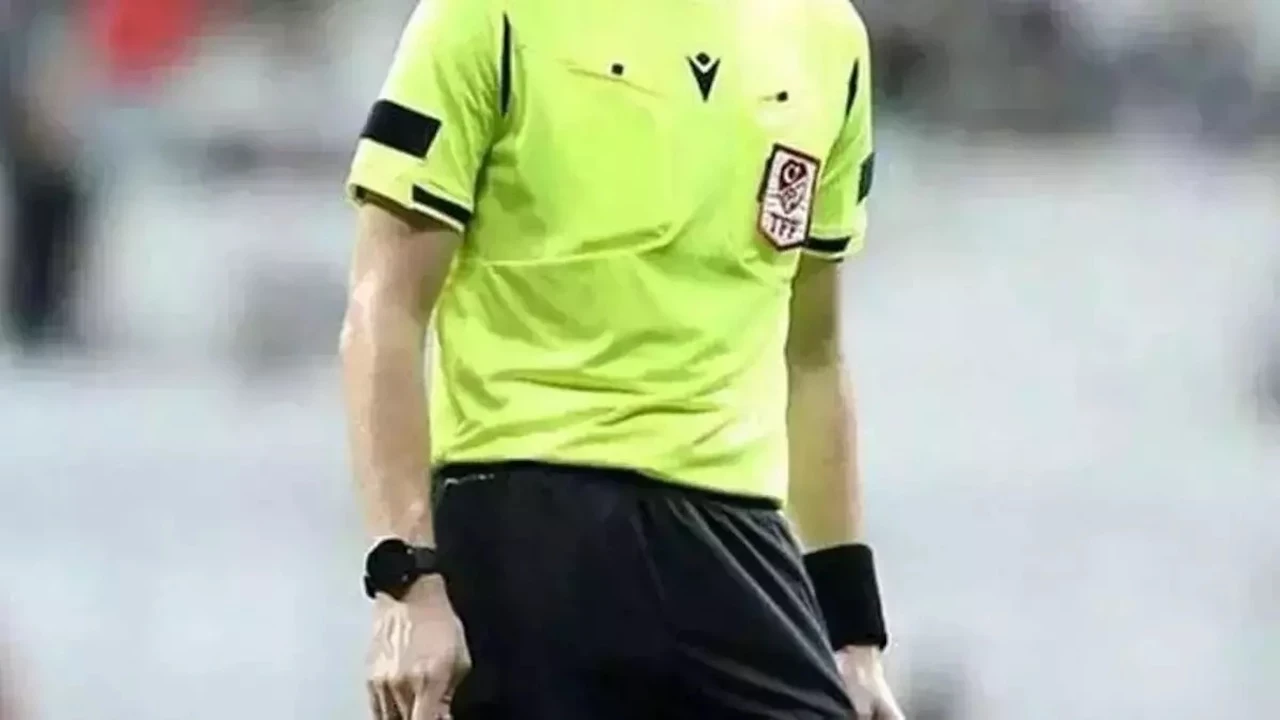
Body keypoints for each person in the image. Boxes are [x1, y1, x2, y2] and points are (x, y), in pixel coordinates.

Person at [341, 0, 902, 718]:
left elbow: (813, 357)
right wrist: (407, 579)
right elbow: (384, 309)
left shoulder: (825, 35)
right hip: (530, 512)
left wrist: (853, 635)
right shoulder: (486, 16)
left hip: (734, 539)